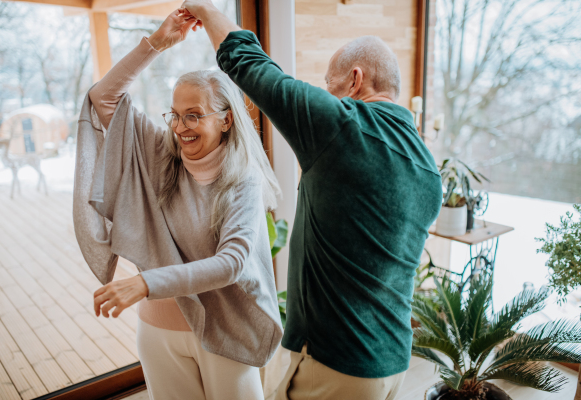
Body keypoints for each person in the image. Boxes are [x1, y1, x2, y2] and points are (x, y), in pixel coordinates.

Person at [181, 1, 444, 399]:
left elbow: (248, 63)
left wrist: (205, 9)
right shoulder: (428, 169)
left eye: (329, 83)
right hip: (392, 365)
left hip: (335, 365)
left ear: (355, 80)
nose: (327, 94)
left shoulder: (341, 125)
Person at [73, 8, 283, 400]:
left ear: (225, 121)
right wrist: (157, 42)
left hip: (226, 327)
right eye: (175, 114)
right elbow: (102, 99)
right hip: (159, 329)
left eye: (193, 116)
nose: (180, 127)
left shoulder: (243, 181)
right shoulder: (160, 152)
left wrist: (145, 282)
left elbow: (232, 262)